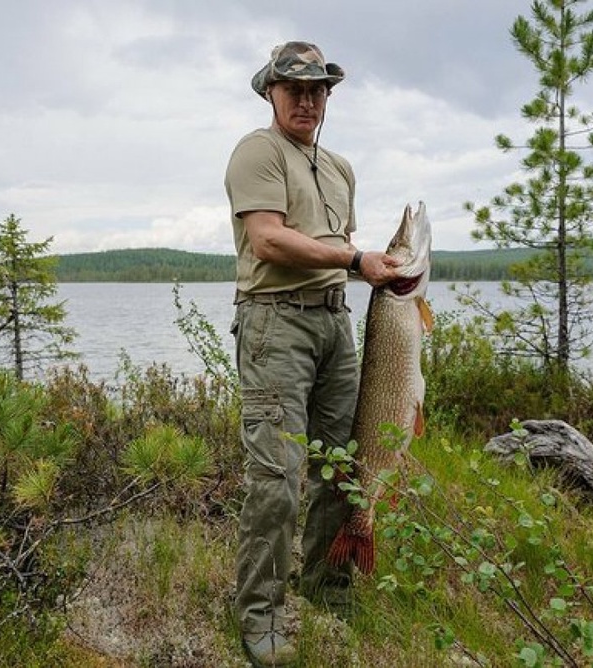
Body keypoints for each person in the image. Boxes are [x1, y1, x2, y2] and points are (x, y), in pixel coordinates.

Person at [224, 41, 400, 667]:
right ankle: (260, 614)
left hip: (335, 326)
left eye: (317, 89)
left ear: (328, 96)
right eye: (293, 88)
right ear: (270, 92)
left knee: (341, 465)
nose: (306, 99)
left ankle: (327, 589)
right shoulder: (258, 152)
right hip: (276, 327)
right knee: (276, 479)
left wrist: (376, 271)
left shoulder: (340, 167)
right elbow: (269, 241)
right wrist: (357, 260)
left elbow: (332, 248)